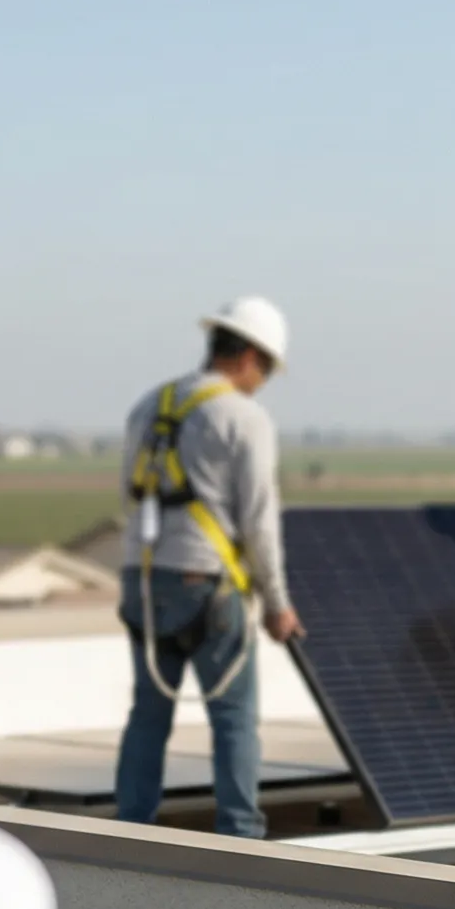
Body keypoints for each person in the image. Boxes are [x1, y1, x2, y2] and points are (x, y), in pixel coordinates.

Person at [113, 296, 303, 838]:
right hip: (207, 586)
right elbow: (260, 520)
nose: (263, 380)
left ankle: (129, 832)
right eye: (266, 367)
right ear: (247, 355)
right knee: (235, 721)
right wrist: (277, 603)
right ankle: (240, 839)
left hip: (143, 579)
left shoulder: (147, 406)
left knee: (148, 715)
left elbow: (131, 493)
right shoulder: (244, 418)